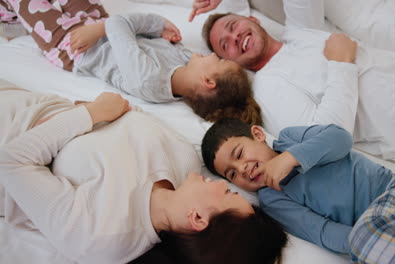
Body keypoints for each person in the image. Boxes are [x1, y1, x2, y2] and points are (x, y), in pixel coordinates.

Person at [192, 0, 395, 194]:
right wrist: (341, 63)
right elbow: (328, 136)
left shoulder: (301, 30)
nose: (234, 37)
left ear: (251, 19)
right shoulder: (268, 91)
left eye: (232, 25)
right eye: (225, 44)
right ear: (233, 63)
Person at [0, 79, 286, 264]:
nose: (223, 185)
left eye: (226, 193)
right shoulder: (183, 159)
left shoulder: (101, 236)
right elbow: (126, 110)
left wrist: (91, 114)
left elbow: (11, 162)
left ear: (197, 218)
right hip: (23, 97)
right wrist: (88, 112)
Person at [201, 118, 395, 262]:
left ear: (258, 134)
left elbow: (340, 139)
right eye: (232, 173)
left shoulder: (291, 138)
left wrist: (290, 158)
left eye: (239, 154)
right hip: (384, 235)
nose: (243, 168)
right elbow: (321, 231)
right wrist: (365, 243)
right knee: (377, 248)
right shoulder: (273, 199)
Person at [2, 0, 262, 126]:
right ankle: (12, 17)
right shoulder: (185, 60)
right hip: (97, 24)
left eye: (218, 61)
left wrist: (156, 25)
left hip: (73, 44)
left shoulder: (149, 81)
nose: (214, 54)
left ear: (207, 81)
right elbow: (134, 27)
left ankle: (10, 15)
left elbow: (119, 24)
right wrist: (157, 25)